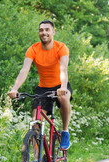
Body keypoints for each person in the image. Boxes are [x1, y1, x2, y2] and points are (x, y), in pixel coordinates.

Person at [8, 20, 72, 153]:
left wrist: (63, 87)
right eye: (41, 30)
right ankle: (37, 161)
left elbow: (63, 69)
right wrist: (15, 88)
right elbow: (24, 70)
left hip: (61, 85)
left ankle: (65, 132)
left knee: (64, 98)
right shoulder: (33, 49)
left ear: (53, 32)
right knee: (35, 123)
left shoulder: (61, 48)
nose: (44, 32)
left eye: (47, 30)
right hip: (43, 88)